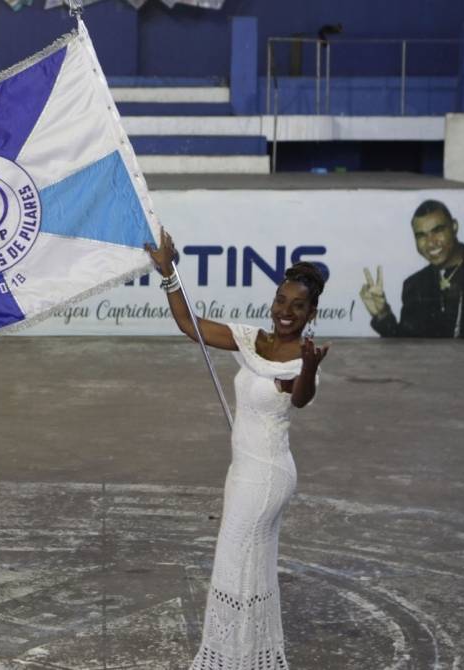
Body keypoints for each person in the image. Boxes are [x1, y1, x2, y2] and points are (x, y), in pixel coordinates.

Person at [145, 228, 329, 670]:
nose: (285, 312)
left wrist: (307, 368)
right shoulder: (252, 340)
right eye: (281, 301)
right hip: (242, 472)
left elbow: (301, 398)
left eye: (297, 306)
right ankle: (254, 657)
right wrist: (169, 271)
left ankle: (225, 660)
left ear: (311, 312)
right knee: (252, 568)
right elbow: (191, 324)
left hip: (267, 476)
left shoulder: (300, 359)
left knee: (233, 564)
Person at [360, 199, 464, 338]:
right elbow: (407, 346)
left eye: (438, 230)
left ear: (454, 226)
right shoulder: (414, 286)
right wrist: (383, 314)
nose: (431, 243)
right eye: (422, 236)